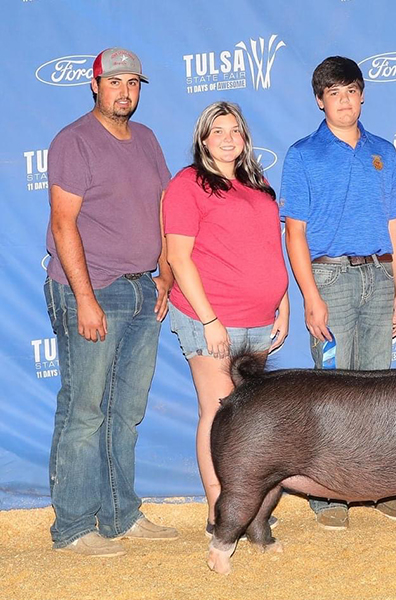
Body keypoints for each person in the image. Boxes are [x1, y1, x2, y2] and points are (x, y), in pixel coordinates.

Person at [44, 47, 178, 557]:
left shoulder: (147, 139)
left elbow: (164, 210)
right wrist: (84, 298)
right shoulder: (74, 140)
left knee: (125, 411)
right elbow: (63, 223)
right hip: (92, 288)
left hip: (142, 288)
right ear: (95, 85)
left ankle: (120, 513)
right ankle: (74, 526)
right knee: (85, 411)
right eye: (115, 82)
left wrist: (164, 274)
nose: (125, 92)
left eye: (133, 83)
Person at [280, 56, 396, 529]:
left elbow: (395, 225)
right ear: (320, 101)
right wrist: (310, 296)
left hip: (380, 276)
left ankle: (381, 488)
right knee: (332, 390)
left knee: (381, 389)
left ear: (362, 95)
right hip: (330, 279)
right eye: (334, 93)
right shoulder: (302, 154)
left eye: (351, 91)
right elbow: (294, 232)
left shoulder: (384, 151)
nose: (344, 101)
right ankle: (330, 496)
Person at [163, 101, 289, 536]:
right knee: (219, 414)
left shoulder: (258, 182)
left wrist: (283, 301)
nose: (228, 138)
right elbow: (179, 258)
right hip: (211, 317)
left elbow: (271, 247)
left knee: (248, 418)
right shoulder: (188, 184)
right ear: (203, 139)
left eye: (235, 130)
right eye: (217, 131)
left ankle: (246, 507)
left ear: (245, 138)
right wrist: (209, 319)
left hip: (260, 318)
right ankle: (219, 512)